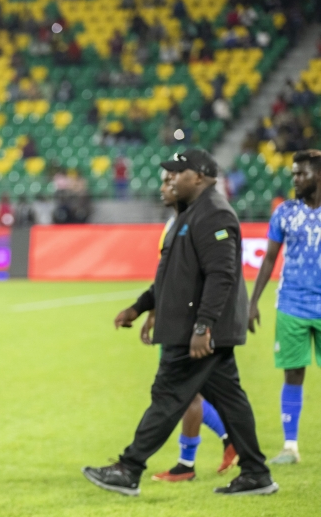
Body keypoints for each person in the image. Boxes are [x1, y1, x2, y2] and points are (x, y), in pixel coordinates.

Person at [83, 149, 276, 496]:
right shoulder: (189, 215)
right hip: (194, 328)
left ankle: (129, 469)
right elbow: (172, 278)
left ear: (200, 176)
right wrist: (140, 307)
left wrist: (203, 327)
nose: (169, 179)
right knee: (230, 399)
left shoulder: (214, 214)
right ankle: (257, 473)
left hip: (196, 332)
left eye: (177, 172)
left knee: (168, 395)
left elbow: (222, 275)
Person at [140, 169, 238, 482]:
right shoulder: (176, 224)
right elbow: (168, 279)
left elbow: (210, 275)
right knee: (193, 392)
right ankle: (229, 438)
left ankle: (186, 464)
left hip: (188, 324)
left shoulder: (195, 223)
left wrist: (200, 324)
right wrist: (152, 312)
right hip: (178, 321)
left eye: (170, 183)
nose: (164, 188)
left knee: (185, 394)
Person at [248, 149, 321, 465]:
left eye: (301, 174)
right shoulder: (285, 212)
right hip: (291, 303)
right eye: (293, 174)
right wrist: (252, 302)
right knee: (292, 374)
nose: (295, 179)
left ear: (317, 175)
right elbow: (269, 259)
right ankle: (290, 447)